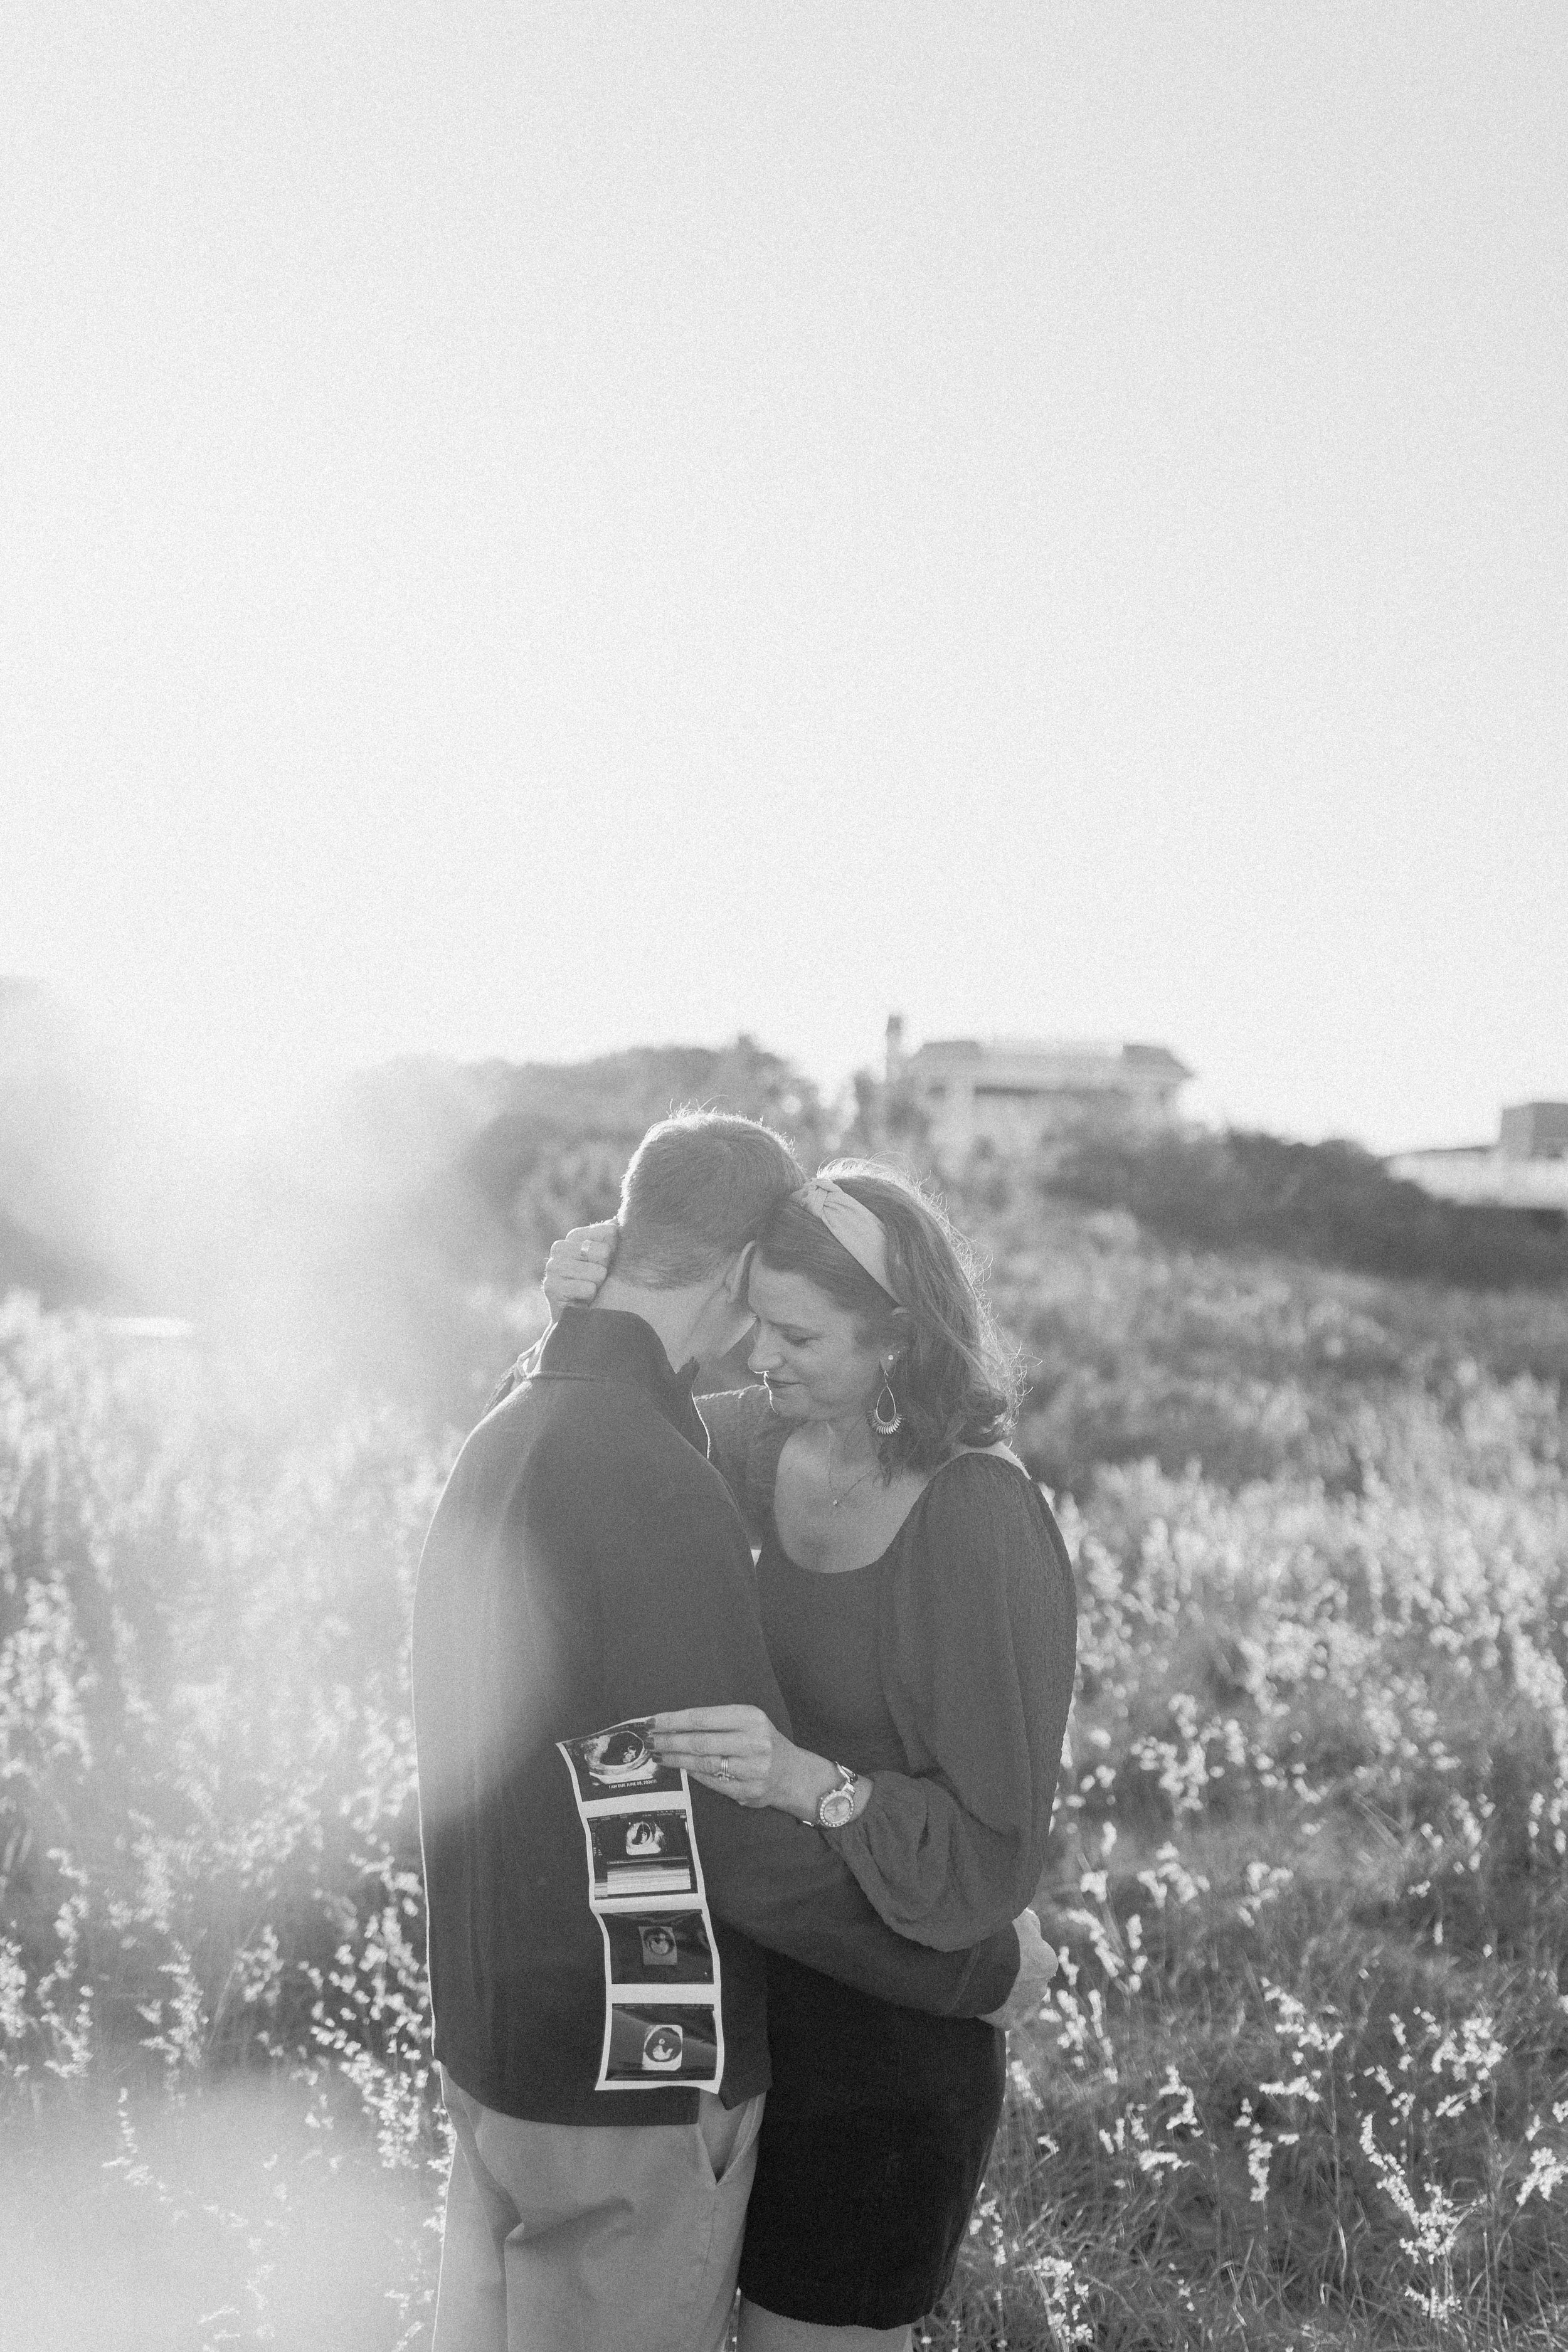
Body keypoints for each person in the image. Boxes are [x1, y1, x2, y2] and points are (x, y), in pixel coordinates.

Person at [412, 1113, 1051, 2352]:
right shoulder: (690, 1468)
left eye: (796, 1332)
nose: (760, 1355)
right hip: (645, 2050)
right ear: (729, 1274)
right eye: (755, 1315)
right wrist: (984, 1971)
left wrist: (591, 1312)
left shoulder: (523, 1441)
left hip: (805, 2053)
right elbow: (713, 1830)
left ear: (896, 1338)